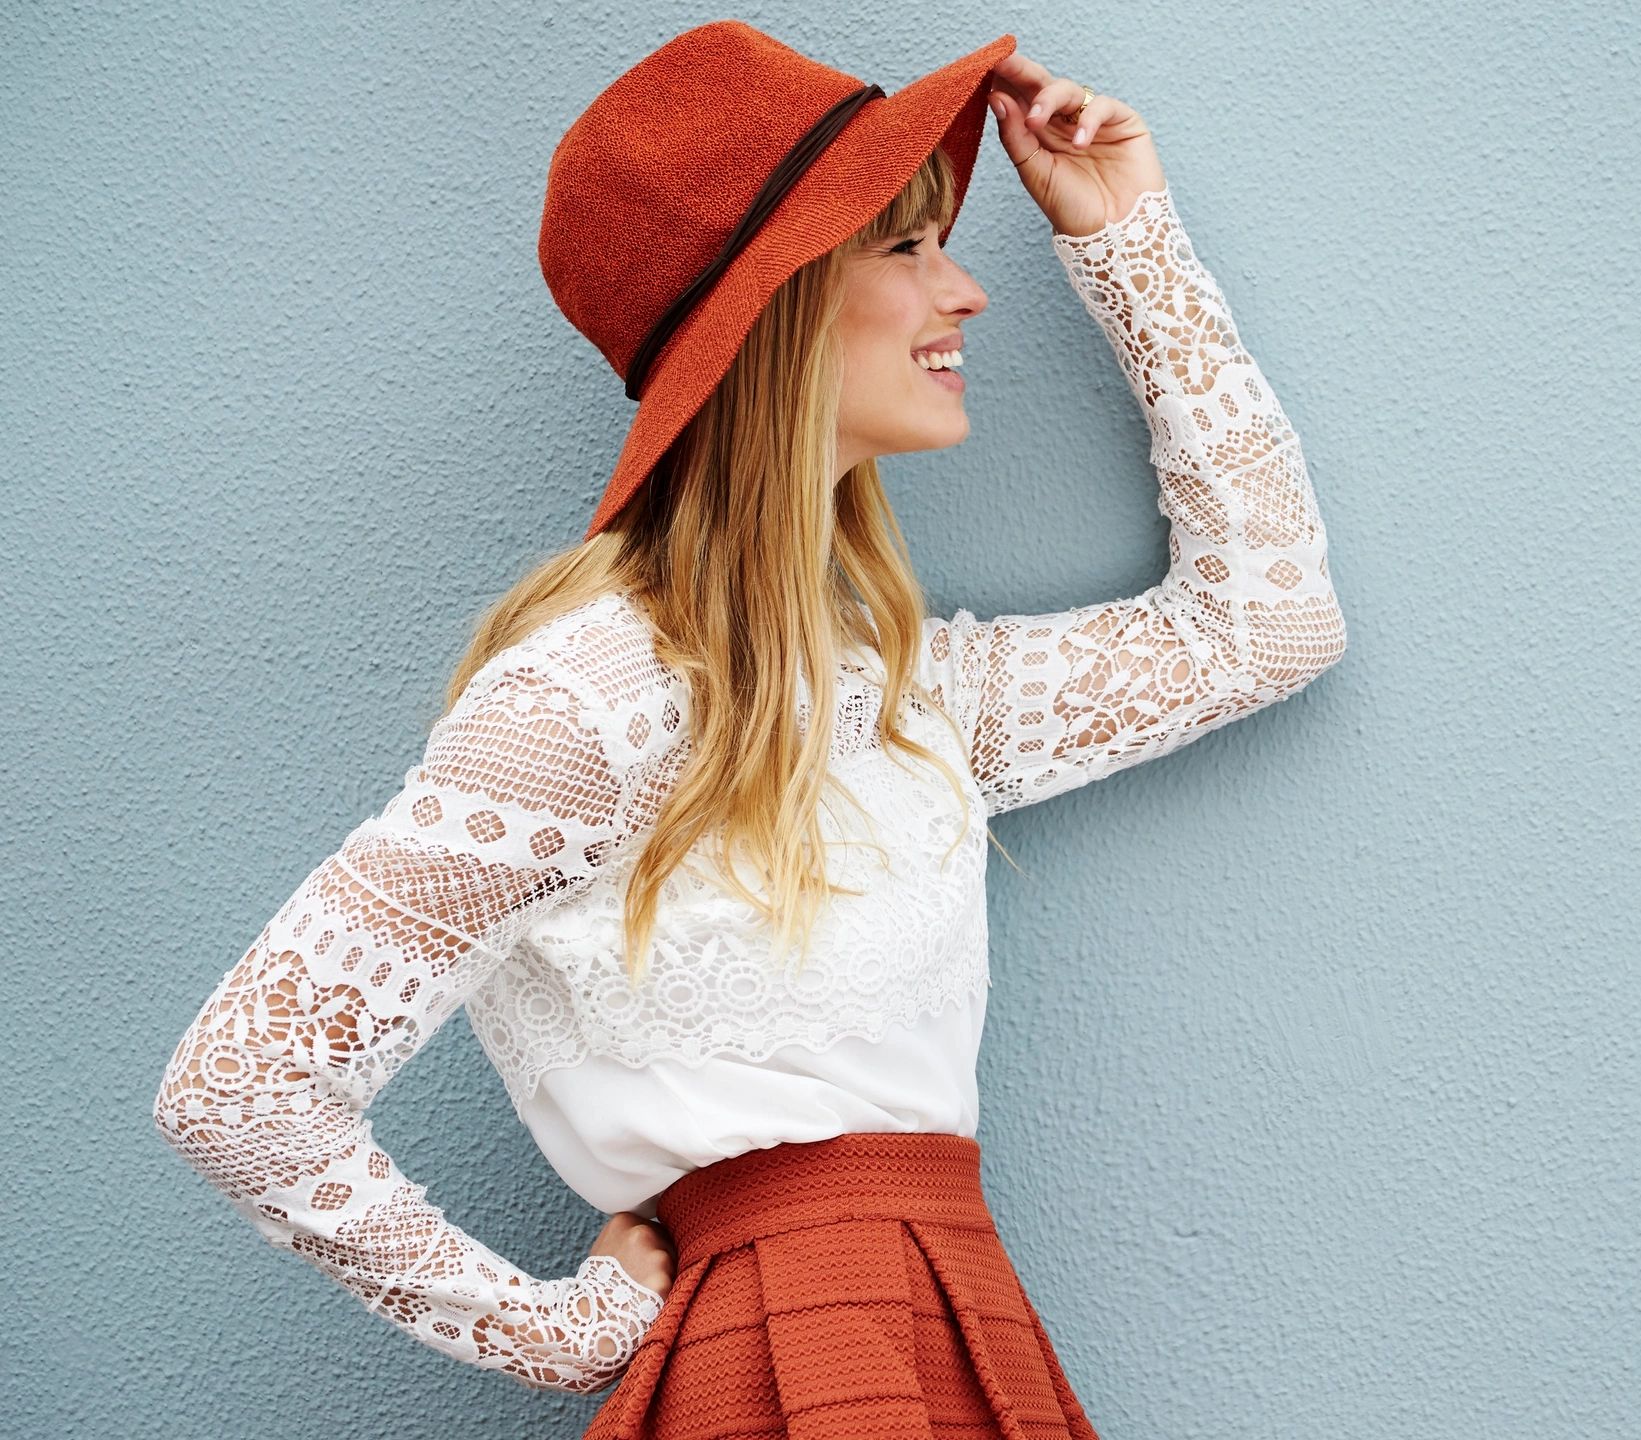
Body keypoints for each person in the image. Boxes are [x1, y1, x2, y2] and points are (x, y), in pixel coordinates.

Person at [151, 20, 1347, 1438]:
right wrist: (556, 1328)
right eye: (902, 249)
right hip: (772, 1358)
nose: (962, 290)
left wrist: (1129, 239)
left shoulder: (895, 694)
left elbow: (1262, 630)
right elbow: (240, 1089)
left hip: (953, 1320)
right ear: (778, 307)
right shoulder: (586, 700)